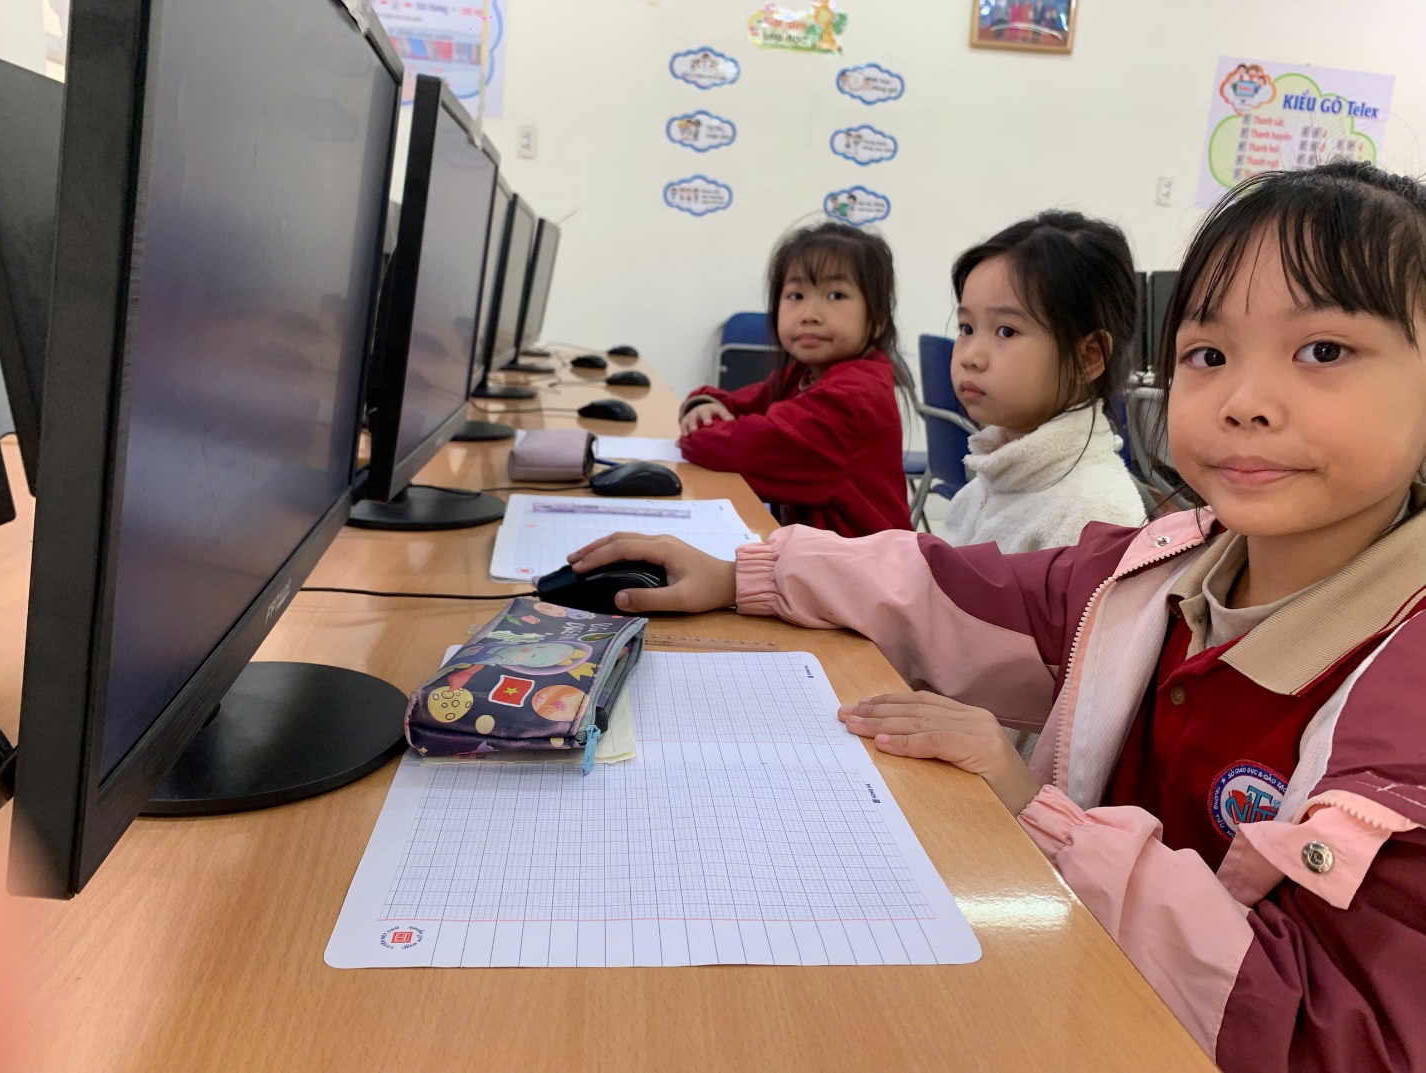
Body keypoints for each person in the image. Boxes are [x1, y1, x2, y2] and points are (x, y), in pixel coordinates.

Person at [568, 162, 1426, 1072]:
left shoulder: (1401, 709)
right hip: (1074, 995)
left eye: (1324, 351)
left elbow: (1337, 1035)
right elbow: (957, 589)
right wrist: (748, 574)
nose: (1245, 401)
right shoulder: (1158, 569)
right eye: (1207, 355)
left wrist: (1045, 820)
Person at [678, 221, 914, 537]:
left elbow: (742, 450)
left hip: (859, 577)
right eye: (795, 294)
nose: (809, 314)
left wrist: (698, 427)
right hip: (817, 563)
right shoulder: (805, 374)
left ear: (877, 321)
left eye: (836, 295)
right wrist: (705, 403)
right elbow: (742, 402)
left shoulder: (851, 397)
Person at [938, 211, 1145, 553]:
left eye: (1006, 331)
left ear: (1088, 356)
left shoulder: (1094, 516)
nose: (969, 356)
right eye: (966, 328)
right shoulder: (986, 485)